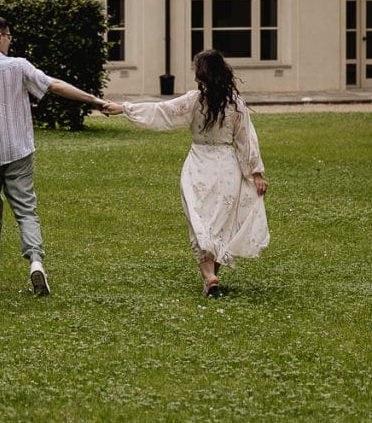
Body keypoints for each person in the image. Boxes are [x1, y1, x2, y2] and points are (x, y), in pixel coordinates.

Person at [0, 15, 107, 296]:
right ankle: (35, 260)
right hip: (18, 148)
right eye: (8, 36)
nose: (9, 41)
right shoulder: (18, 66)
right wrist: (93, 100)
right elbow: (53, 85)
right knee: (26, 211)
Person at [101, 50, 269, 297]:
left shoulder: (194, 100)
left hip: (199, 166)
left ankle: (209, 276)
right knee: (219, 225)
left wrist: (123, 109)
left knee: (199, 222)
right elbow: (246, 140)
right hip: (226, 168)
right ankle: (211, 277)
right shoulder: (235, 103)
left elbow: (161, 112)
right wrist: (255, 173)